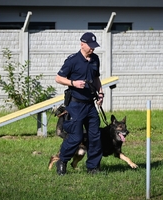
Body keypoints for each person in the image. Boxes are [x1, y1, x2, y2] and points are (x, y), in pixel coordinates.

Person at [55, 32, 104, 175]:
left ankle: (93, 167)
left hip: (90, 104)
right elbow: (58, 78)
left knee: (95, 136)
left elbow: (96, 79)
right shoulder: (72, 60)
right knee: (76, 137)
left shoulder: (95, 59)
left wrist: (100, 93)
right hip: (75, 105)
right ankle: (62, 161)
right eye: (90, 46)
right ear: (82, 44)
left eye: (94, 47)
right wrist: (73, 83)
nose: (93, 49)